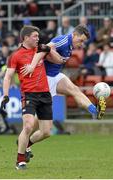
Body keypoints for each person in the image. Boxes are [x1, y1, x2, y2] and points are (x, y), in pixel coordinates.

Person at [21, 25, 106, 162]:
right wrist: (32, 65)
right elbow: (42, 49)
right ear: (74, 35)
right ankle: (24, 143)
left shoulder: (71, 45)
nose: (81, 44)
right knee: (44, 128)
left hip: (56, 76)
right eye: (81, 40)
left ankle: (94, 111)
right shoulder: (62, 40)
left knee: (75, 90)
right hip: (45, 79)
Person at [0, 25, 65, 170]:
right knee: (28, 125)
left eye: (38, 36)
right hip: (29, 95)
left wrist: (49, 49)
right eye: (35, 36)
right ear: (26, 38)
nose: (38, 38)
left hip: (45, 94)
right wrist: (5, 95)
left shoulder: (40, 49)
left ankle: (25, 144)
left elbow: (59, 61)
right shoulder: (15, 55)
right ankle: (20, 160)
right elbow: (8, 77)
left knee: (46, 132)